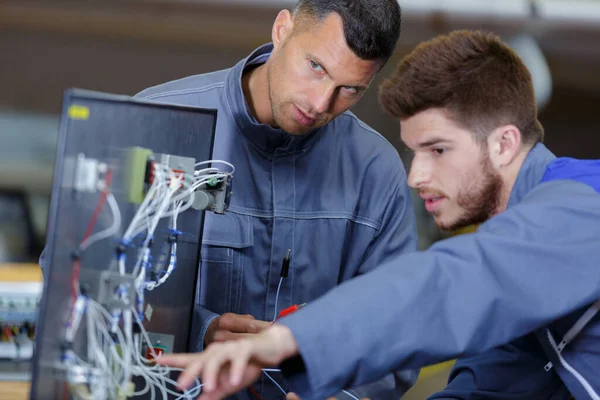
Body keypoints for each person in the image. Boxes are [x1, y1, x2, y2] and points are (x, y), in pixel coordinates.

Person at [157, 30, 600, 400]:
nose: (415, 176)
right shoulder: (529, 291)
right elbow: (494, 384)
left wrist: (290, 340)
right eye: (414, 152)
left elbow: (453, 284)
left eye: (438, 150)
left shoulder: (584, 204)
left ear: (503, 144)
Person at [134, 1, 418, 399]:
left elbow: (396, 334)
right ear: (282, 28)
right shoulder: (156, 125)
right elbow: (88, 287)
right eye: (315, 67)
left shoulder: (377, 174)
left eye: (350, 89)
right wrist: (199, 330)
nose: (320, 104)